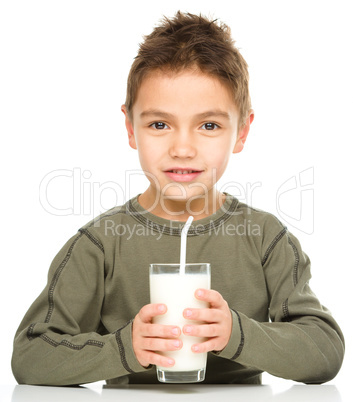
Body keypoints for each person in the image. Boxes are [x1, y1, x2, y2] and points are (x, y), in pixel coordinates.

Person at [11, 11, 344, 386]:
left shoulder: (265, 238)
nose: (182, 148)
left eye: (209, 125)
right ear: (130, 127)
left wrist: (236, 333)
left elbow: (324, 349)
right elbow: (30, 354)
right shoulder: (102, 244)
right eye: (159, 124)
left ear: (242, 132)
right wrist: (123, 349)